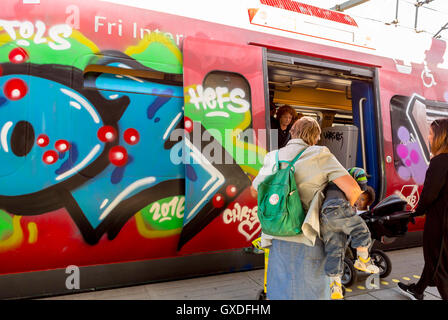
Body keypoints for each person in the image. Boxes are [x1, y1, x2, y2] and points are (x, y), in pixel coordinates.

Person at [251, 116, 362, 300]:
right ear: (315, 137)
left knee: (280, 293)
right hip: (308, 239)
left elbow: (255, 191)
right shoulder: (319, 154)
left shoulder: (273, 156)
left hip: (277, 239)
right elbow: (353, 190)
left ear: (292, 132)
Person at [398, 118, 448, 300]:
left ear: (441, 138)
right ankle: (418, 290)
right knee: (437, 260)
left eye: (431, 134)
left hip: (440, 222)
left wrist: (417, 212)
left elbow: (429, 195)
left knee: (439, 265)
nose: (428, 137)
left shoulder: (440, 162)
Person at [320, 167, 379, 299]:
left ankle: (335, 285)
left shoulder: (332, 183)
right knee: (361, 229)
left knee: (335, 251)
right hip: (337, 208)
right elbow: (358, 176)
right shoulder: (344, 180)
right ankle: (363, 259)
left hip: (326, 218)